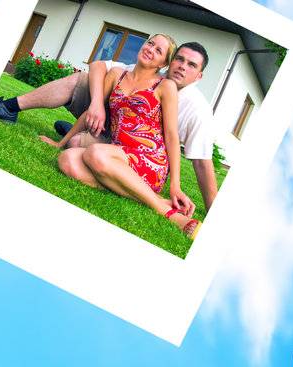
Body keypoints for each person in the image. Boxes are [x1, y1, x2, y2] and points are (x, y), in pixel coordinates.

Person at [0, 42, 219, 212]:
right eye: (180, 59)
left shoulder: (196, 110)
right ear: (169, 63)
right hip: (115, 138)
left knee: (89, 152)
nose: (182, 67)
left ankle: (159, 205)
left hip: (145, 156)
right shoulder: (139, 69)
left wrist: (211, 212)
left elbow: (200, 160)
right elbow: (99, 65)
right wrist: (97, 103)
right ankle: (10, 108)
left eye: (191, 65)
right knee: (68, 156)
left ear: (198, 76)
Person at [46, 34, 200, 240]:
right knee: (68, 160)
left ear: (164, 63)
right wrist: (60, 143)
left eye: (159, 51)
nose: (151, 49)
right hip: (117, 155)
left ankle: (168, 213)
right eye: (150, 43)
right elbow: (90, 112)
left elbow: (172, 136)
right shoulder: (117, 75)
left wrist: (175, 185)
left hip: (150, 159)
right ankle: (152, 198)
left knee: (95, 153)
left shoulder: (165, 86)